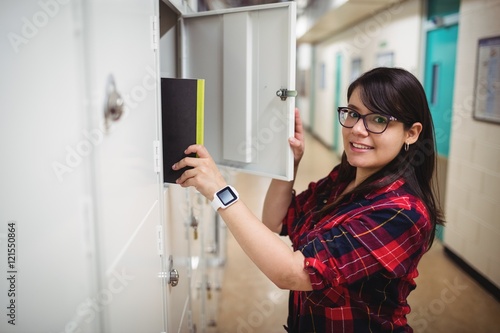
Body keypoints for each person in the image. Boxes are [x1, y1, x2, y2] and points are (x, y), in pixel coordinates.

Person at [172, 67, 445, 332]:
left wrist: (221, 192)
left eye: (378, 120)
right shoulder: (344, 179)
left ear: (411, 133)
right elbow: (275, 221)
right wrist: (289, 163)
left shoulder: (403, 213)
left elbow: (292, 273)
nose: (358, 129)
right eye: (353, 113)